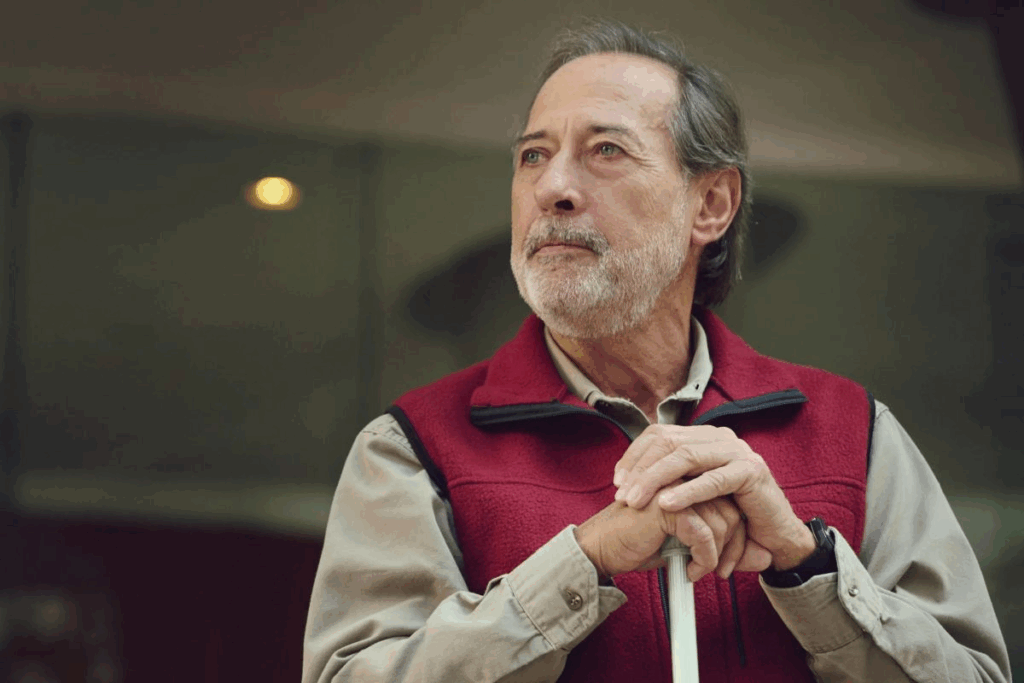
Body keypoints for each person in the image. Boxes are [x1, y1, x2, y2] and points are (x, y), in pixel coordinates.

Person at [303, 19, 1011, 683]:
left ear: (712, 204)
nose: (552, 187)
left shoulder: (856, 430)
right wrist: (586, 560)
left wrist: (806, 564)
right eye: (533, 156)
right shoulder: (410, 447)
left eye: (605, 150)